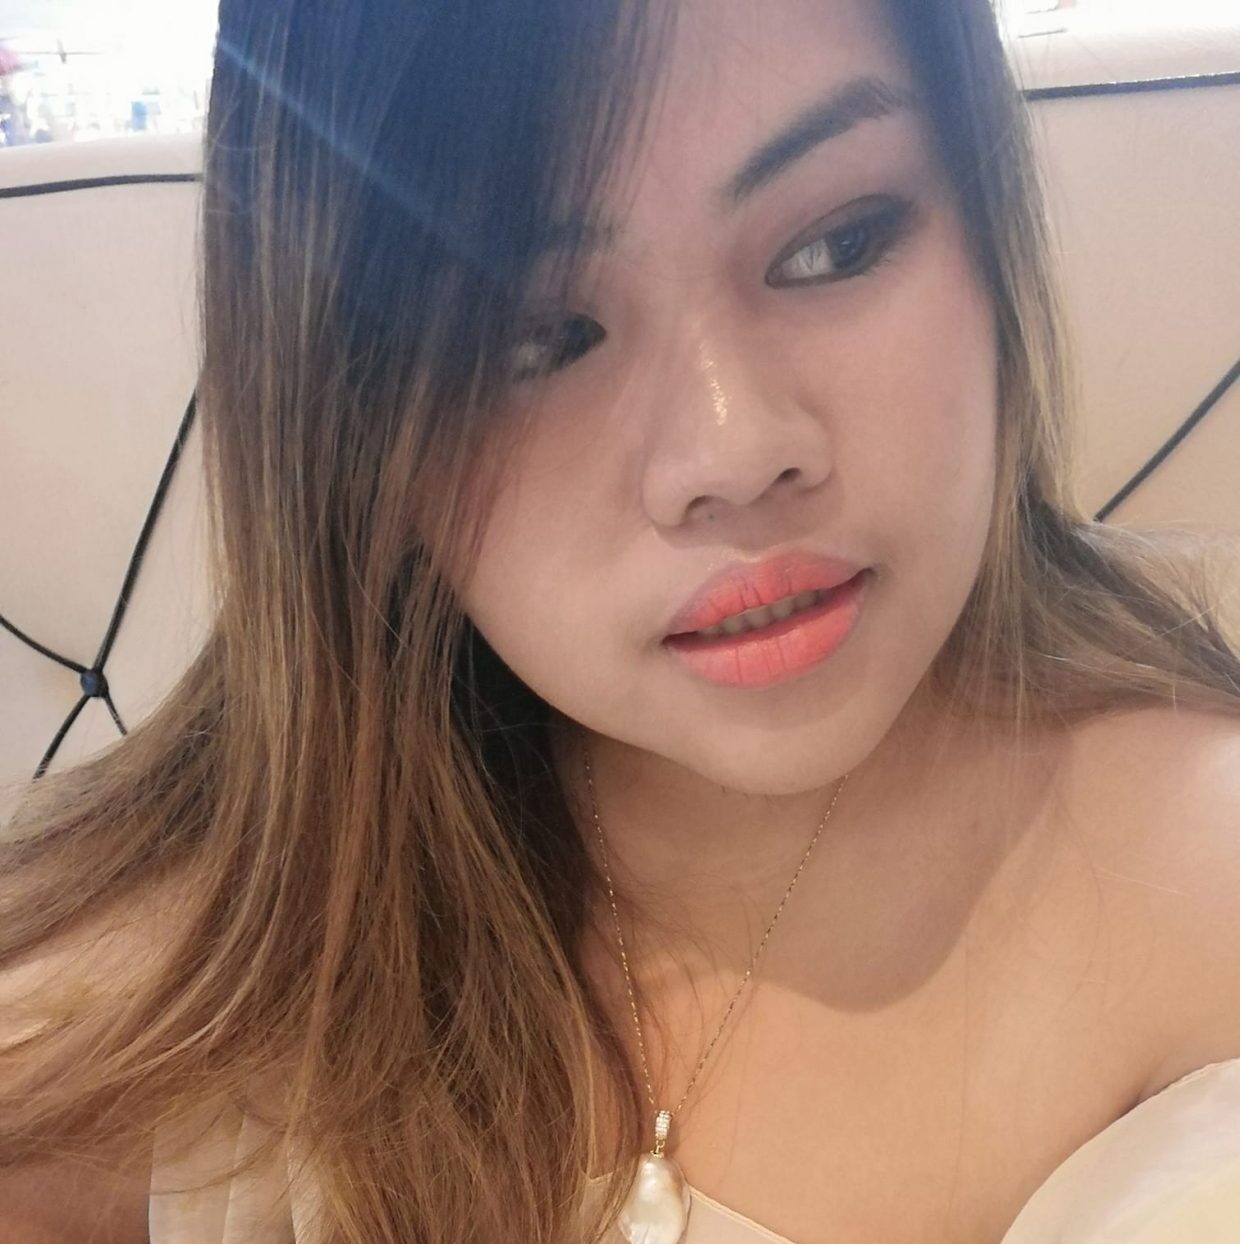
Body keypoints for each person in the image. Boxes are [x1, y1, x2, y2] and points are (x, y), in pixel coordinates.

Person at [2, 1, 1239, 1242]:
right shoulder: (169, 990)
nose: (734, 451)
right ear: (353, 433)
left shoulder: (1196, 876)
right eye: (536, 336)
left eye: (836, 243)